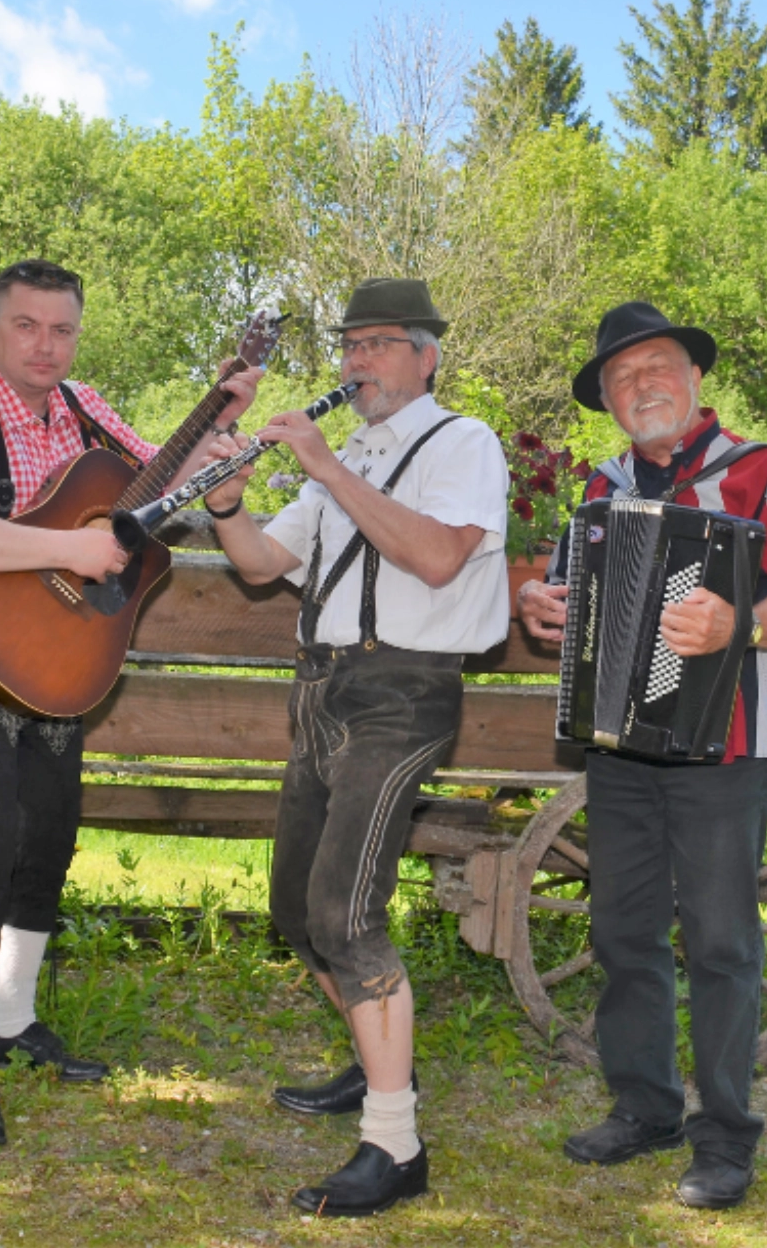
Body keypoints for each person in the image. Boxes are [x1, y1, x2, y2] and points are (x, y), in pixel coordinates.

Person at [0, 259, 258, 1147]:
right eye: (26, 326)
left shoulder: (85, 403)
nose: (44, 345)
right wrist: (69, 546)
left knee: (47, 836)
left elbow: (152, 489)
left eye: (60, 329)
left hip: (57, 654)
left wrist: (211, 441)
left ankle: (14, 1021)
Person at [193, 277, 508, 1217]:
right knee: (298, 904)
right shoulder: (356, 449)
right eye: (350, 344)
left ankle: (395, 1141)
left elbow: (440, 557)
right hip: (323, 691)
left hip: (403, 693)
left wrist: (328, 468)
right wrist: (227, 502)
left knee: (345, 911)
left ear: (427, 354)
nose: (357, 361)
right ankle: (378, 1065)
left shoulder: (464, 442)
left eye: (378, 343)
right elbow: (260, 566)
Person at [518, 301, 767, 1210]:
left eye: (657, 368)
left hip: (724, 752)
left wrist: (738, 626)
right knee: (622, 932)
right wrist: (540, 607)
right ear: (609, 401)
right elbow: (570, 605)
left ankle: (725, 1136)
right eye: (622, 377)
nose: (642, 385)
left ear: (693, 378)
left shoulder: (759, 472)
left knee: (723, 943)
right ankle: (645, 1107)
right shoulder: (600, 491)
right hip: (619, 749)